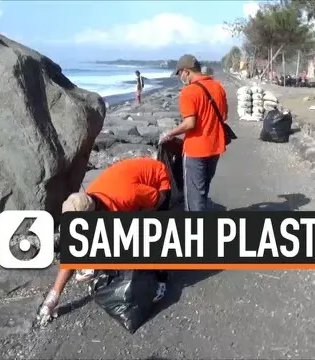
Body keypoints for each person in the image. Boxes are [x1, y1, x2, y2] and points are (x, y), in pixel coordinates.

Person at [36, 157, 173, 326]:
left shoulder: (128, 194)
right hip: (127, 181)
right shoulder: (84, 201)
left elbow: (158, 200)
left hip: (157, 182)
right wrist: (53, 297)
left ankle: (161, 280)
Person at [159, 54, 228, 211]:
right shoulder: (218, 87)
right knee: (203, 189)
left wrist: (170, 133)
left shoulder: (188, 92)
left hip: (195, 150)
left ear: (186, 71)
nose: (179, 77)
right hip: (215, 146)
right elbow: (223, 116)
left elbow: (190, 124)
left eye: (179, 73)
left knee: (194, 196)